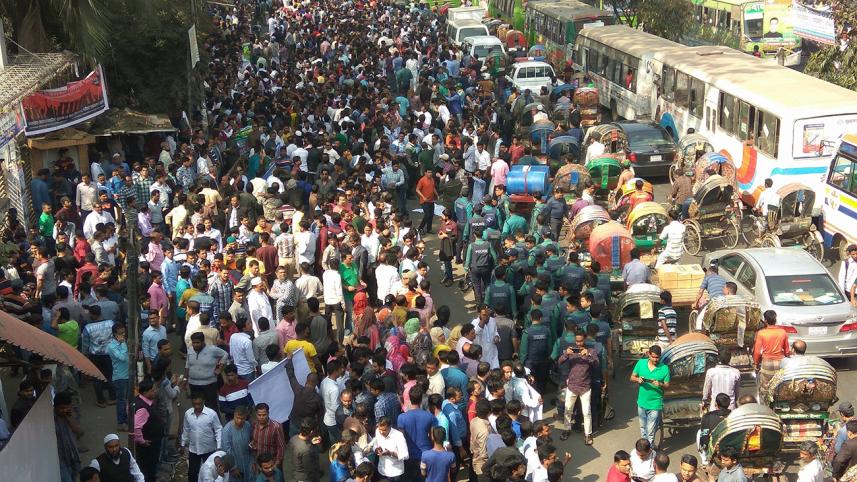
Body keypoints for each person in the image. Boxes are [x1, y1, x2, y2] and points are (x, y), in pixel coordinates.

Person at [630, 345, 670, 444]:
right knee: (643, 428)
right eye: (653, 357)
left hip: (655, 404)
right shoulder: (641, 363)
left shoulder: (664, 369)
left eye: (657, 357)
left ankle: (649, 448)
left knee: (651, 431)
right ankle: (645, 447)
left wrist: (659, 384)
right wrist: (637, 379)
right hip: (642, 402)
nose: (655, 359)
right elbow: (632, 377)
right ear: (649, 355)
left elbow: (667, 385)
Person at [180, 393, 223, 482]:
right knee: (192, 473)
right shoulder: (188, 414)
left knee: (210, 472)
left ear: (204, 402)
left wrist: (219, 447)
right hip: (193, 449)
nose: (197, 406)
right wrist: (183, 444)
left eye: (199, 404)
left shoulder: (212, 414)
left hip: (209, 449)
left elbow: (218, 430)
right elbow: (186, 429)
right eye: (195, 404)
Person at [753, 310, 790, 399]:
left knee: (765, 388)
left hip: (767, 363)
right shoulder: (782, 332)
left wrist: (755, 364)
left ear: (765, 320)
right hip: (780, 362)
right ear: (775, 319)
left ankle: (766, 406)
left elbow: (757, 352)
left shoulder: (761, 333)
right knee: (780, 386)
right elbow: (787, 351)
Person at [370, 416, 409, 481]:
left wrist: (390, 453)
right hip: (382, 471)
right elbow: (375, 445)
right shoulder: (377, 431)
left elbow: (406, 455)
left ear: (390, 427)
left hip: (395, 473)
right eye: (380, 429)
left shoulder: (398, 435)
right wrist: (376, 449)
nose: (382, 432)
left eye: (384, 430)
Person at [698, 393, 731, 465]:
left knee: (699, 433)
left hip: (714, 450)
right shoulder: (734, 414)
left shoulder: (707, 417)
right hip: (732, 446)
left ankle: (705, 460)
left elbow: (704, 436)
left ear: (716, 404)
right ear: (728, 404)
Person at [288, 417, 322, 482]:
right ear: (311, 432)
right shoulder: (306, 450)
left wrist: (311, 443)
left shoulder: (293, 438)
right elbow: (309, 469)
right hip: (306, 478)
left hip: (297, 471)